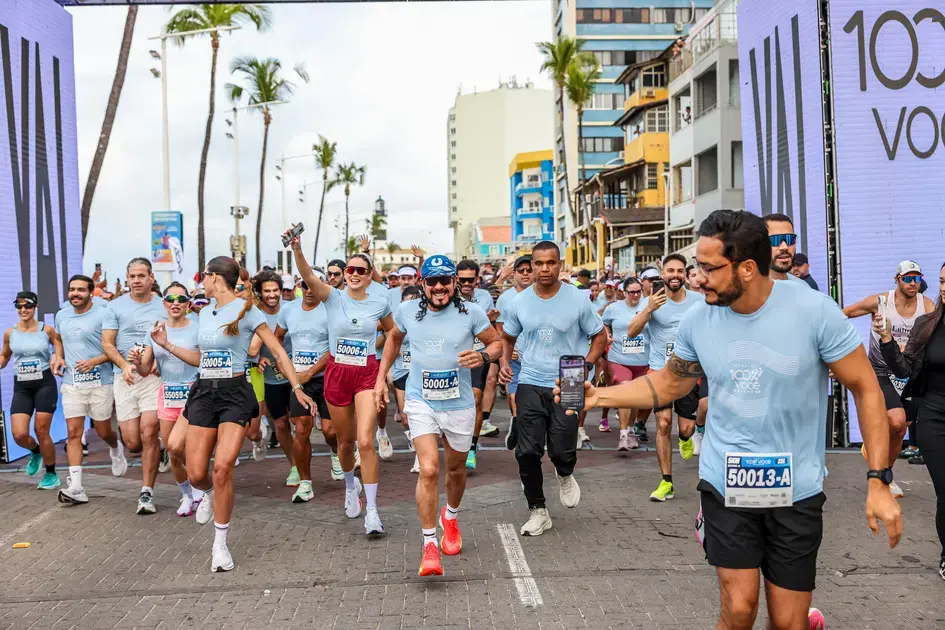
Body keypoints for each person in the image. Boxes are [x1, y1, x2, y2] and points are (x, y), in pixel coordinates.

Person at [565, 209, 902, 630]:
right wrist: (600, 396)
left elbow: (866, 389)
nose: (697, 278)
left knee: (788, 622)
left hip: (797, 489)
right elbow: (671, 383)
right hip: (727, 483)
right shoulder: (699, 319)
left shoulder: (815, 311)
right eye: (696, 267)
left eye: (708, 268)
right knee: (740, 609)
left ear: (746, 268)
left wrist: (878, 479)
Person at [172, 256, 314, 572]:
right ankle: (205, 494)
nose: (201, 282)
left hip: (236, 393)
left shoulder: (248, 311)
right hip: (204, 392)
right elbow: (200, 358)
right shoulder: (204, 313)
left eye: (203, 276)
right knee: (197, 473)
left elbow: (277, 350)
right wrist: (165, 345)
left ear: (215, 278)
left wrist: (297, 387)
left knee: (222, 467)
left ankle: (219, 545)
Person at [375, 255, 502, 576]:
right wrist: (380, 378)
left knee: (456, 470)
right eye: (432, 280)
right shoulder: (407, 311)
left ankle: (452, 516)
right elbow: (393, 338)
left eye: (445, 280)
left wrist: (483, 355)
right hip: (421, 401)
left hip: (458, 404)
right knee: (429, 468)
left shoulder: (471, 312)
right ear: (423, 283)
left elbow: (497, 343)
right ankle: (429, 544)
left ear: (454, 283)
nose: (439, 287)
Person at [498, 241, 607, 536]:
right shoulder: (518, 302)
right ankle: (538, 510)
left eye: (551, 263)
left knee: (561, 450)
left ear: (560, 265)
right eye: (539, 263)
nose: (545, 269)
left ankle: (565, 471)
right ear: (531, 266)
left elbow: (600, 337)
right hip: (530, 380)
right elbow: (507, 336)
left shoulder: (578, 299)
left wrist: (586, 364)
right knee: (527, 451)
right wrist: (506, 364)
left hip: (568, 377)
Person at [290, 230, 395, 535]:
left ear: (369, 273)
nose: (354, 275)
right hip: (337, 373)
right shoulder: (332, 297)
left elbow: (392, 335)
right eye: (350, 270)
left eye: (361, 270)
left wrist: (383, 374)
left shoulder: (379, 302)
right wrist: (297, 248)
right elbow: (308, 276)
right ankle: (351, 486)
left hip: (365, 373)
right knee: (344, 442)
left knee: (365, 441)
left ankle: (373, 512)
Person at [844, 260, 935, 498]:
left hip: (908, 373)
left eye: (916, 278)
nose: (913, 283)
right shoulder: (881, 302)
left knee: (899, 430)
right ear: (897, 280)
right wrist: (840, 352)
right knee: (896, 421)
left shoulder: (926, 306)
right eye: (907, 278)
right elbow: (845, 314)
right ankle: (875, 443)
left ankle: (886, 474)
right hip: (880, 370)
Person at [877, 262, 945, 580]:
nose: (944, 288)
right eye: (943, 281)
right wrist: (888, 340)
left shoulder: (926, 310)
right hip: (934, 417)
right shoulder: (929, 324)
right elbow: (904, 369)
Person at [626, 254, 704, 501]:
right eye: (670, 271)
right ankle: (666, 482)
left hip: (688, 373)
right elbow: (631, 331)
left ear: (685, 274)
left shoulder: (698, 301)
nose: (675, 275)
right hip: (660, 372)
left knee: (686, 428)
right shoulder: (653, 300)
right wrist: (648, 309)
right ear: (663, 274)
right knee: (662, 423)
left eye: (680, 271)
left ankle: (685, 438)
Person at [127, 282, 202, 516]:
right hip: (167, 394)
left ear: (188, 303)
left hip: (193, 394)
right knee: (172, 450)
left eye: (181, 299)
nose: (175, 303)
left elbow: (199, 360)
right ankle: (187, 495)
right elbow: (146, 369)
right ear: (164, 303)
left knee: (187, 448)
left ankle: (201, 489)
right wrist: (138, 362)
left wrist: (167, 345)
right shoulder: (156, 329)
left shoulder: (197, 327)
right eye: (171, 299)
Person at [101, 257, 167, 514]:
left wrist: (160, 362)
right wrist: (124, 365)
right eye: (132, 276)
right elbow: (107, 343)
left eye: (142, 275)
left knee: (149, 431)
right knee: (132, 442)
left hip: (152, 377)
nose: (137, 280)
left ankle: (146, 493)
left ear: (151, 277)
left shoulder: (163, 306)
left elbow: (173, 335)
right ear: (127, 279)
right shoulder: (115, 307)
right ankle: (160, 451)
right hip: (125, 376)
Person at [55, 276, 128, 505]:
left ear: (91, 292)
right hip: (72, 382)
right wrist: (58, 356)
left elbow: (115, 348)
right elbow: (58, 338)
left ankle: (115, 448)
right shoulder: (62, 314)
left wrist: (94, 361)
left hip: (101, 380)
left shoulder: (104, 312)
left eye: (80, 290)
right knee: (74, 433)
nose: (75, 294)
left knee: (103, 430)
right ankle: (76, 487)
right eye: (72, 290)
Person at [276, 267, 344, 501]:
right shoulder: (288, 310)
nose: (309, 289)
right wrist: (282, 362)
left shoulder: (331, 310)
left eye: (314, 284)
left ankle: (336, 452)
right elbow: (278, 338)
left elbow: (335, 347)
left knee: (330, 430)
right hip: (299, 382)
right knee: (302, 429)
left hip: (326, 377)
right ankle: (305, 483)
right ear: (298, 285)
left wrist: (311, 371)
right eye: (305, 284)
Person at [1, 291, 64, 489]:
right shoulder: (10, 333)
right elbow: (4, 356)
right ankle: (35, 451)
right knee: (19, 435)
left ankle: (51, 473)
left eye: (27, 306)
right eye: (19, 306)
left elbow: (58, 344)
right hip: (22, 386)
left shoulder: (47, 330)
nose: (23, 310)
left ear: (35, 307)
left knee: (41, 429)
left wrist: (57, 357)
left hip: (44, 384)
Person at [253, 271, 299, 486]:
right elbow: (244, 346)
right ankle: (295, 467)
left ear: (282, 291)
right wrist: (258, 357)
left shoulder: (292, 309)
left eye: (275, 290)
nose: (272, 295)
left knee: (300, 422)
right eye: (267, 291)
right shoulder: (254, 314)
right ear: (260, 293)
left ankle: (313, 461)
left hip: (296, 376)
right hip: (271, 378)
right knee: (280, 425)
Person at [456, 259, 500, 470]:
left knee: (475, 397)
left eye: (470, 280)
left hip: (476, 354)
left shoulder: (484, 298)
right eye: (462, 280)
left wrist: (490, 320)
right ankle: (457, 442)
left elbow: (489, 332)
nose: (466, 284)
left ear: (477, 279)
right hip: (453, 356)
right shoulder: (448, 296)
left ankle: (471, 448)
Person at [601, 277, 649, 451]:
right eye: (632, 292)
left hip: (643, 360)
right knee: (625, 390)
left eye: (638, 291)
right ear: (624, 292)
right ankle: (622, 436)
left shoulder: (648, 306)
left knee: (634, 398)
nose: (636, 295)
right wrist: (607, 334)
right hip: (619, 359)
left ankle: (630, 431)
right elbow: (604, 325)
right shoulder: (613, 308)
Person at [495, 255, 533, 445]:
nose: (525, 274)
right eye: (521, 270)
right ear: (514, 274)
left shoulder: (543, 295)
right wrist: (508, 352)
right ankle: (519, 425)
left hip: (538, 358)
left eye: (529, 270)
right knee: (514, 395)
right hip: (516, 357)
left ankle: (522, 425)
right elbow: (500, 329)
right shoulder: (505, 299)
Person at [389, 286, 423, 473]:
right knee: (404, 417)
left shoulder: (426, 319)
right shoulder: (397, 320)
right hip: (401, 371)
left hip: (419, 372)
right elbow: (388, 343)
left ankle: (420, 455)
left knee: (419, 416)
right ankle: (416, 441)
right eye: (407, 301)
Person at [763, 214, 808, 285]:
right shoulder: (745, 290)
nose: (784, 247)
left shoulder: (803, 287)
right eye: (775, 239)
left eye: (789, 239)